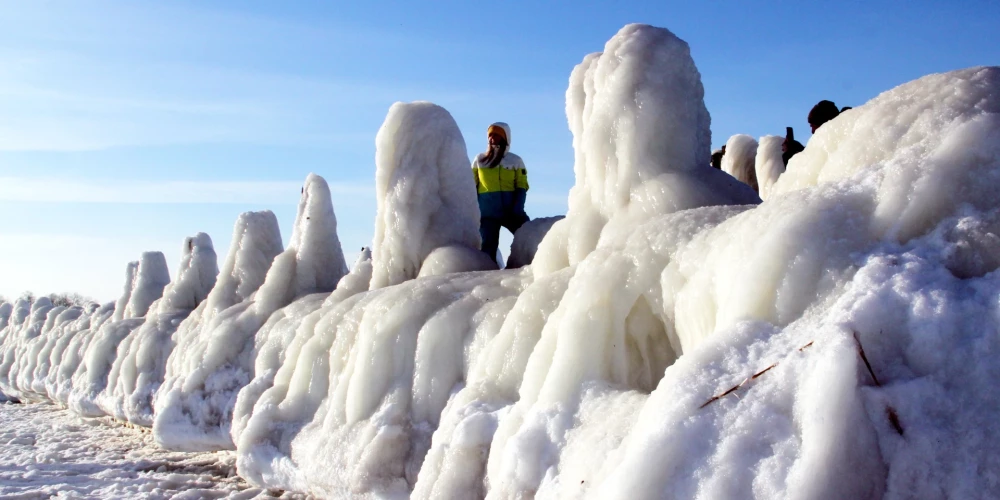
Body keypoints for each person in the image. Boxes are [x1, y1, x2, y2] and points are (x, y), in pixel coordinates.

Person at [472, 122, 529, 260]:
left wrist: (518, 208)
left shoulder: (515, 161)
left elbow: (522, 185)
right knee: (487, 248)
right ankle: (486, 277)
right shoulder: (480, 161)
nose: (492, 139)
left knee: (529, 235)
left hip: (512, 212)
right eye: (490, 136)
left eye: (496, 135)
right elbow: (470, 186)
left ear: (505, 138)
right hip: (488, 214)